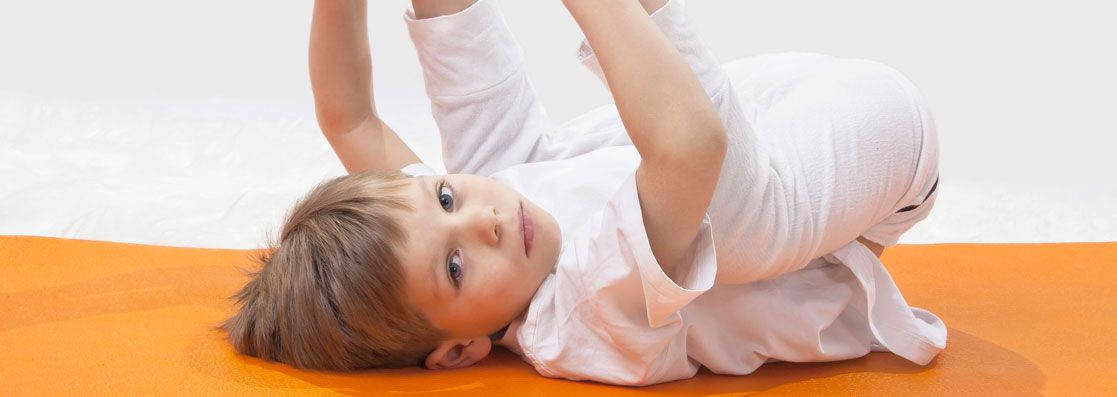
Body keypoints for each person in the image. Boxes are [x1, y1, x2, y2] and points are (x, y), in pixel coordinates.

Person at [219, 0, 946, 386]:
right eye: (454, 267)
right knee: (731, 222)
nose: (484, 223)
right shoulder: (581, 320)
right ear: (460, 350)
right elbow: (694, 151)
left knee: (503, 160)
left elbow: (346, 116)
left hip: (786, 109)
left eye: (443, 199)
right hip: (877, 144)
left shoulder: (493, 214)